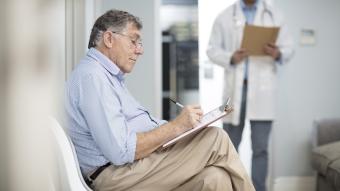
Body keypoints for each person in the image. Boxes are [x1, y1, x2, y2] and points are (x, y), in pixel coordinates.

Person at [65, 9, 255, 191]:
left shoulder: (108, 78)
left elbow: (131, 134)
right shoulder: (92, 78)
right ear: (108, 39)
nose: (140, 50)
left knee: (214, 178)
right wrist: (176, 127)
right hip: (116, 176)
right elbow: (121, 150)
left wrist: (187, 128)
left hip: (131, 167)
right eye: (133, 41)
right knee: (216, 138)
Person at [207, 0, 294, 191]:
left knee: (261, 149)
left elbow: (289, 49)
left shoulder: (274, 14)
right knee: (229, 147)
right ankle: (231, 187)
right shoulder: (225, 16)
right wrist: (231, 57)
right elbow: (211, 49)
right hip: (234, 90)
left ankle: (259, 188)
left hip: (263, 91)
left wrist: (277, 53)